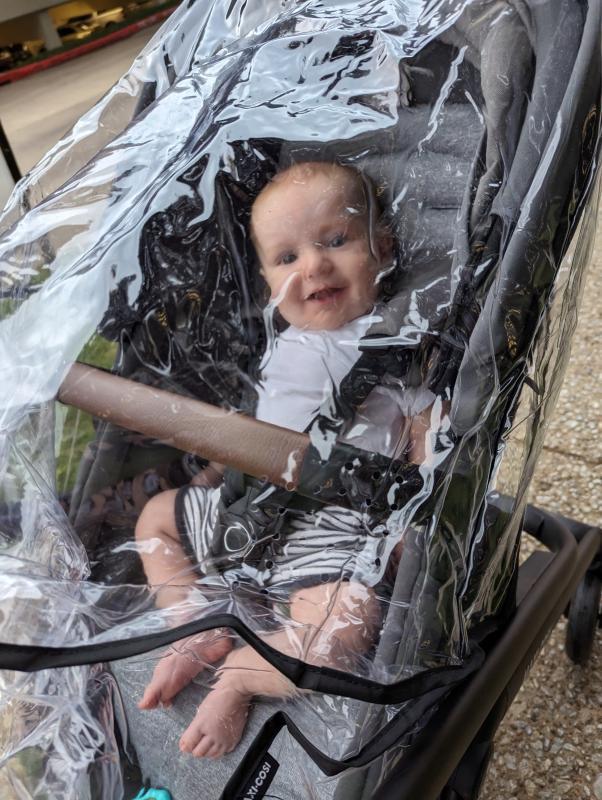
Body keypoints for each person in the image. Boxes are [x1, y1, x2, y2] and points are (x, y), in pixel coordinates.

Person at [134, 161, 436, 760]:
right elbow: (251, 426)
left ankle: (246, 675)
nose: (314, 266)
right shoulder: (277, 343)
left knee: (342, 625)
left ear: (381, 248)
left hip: (332, 525)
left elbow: (426, 438)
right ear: (269, 280)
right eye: (287, 257)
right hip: (243, 506)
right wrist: (215, 477)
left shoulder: (399, 347)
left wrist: (415, 515)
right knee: (157, 519)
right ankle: (194, 622)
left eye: (336, 241)